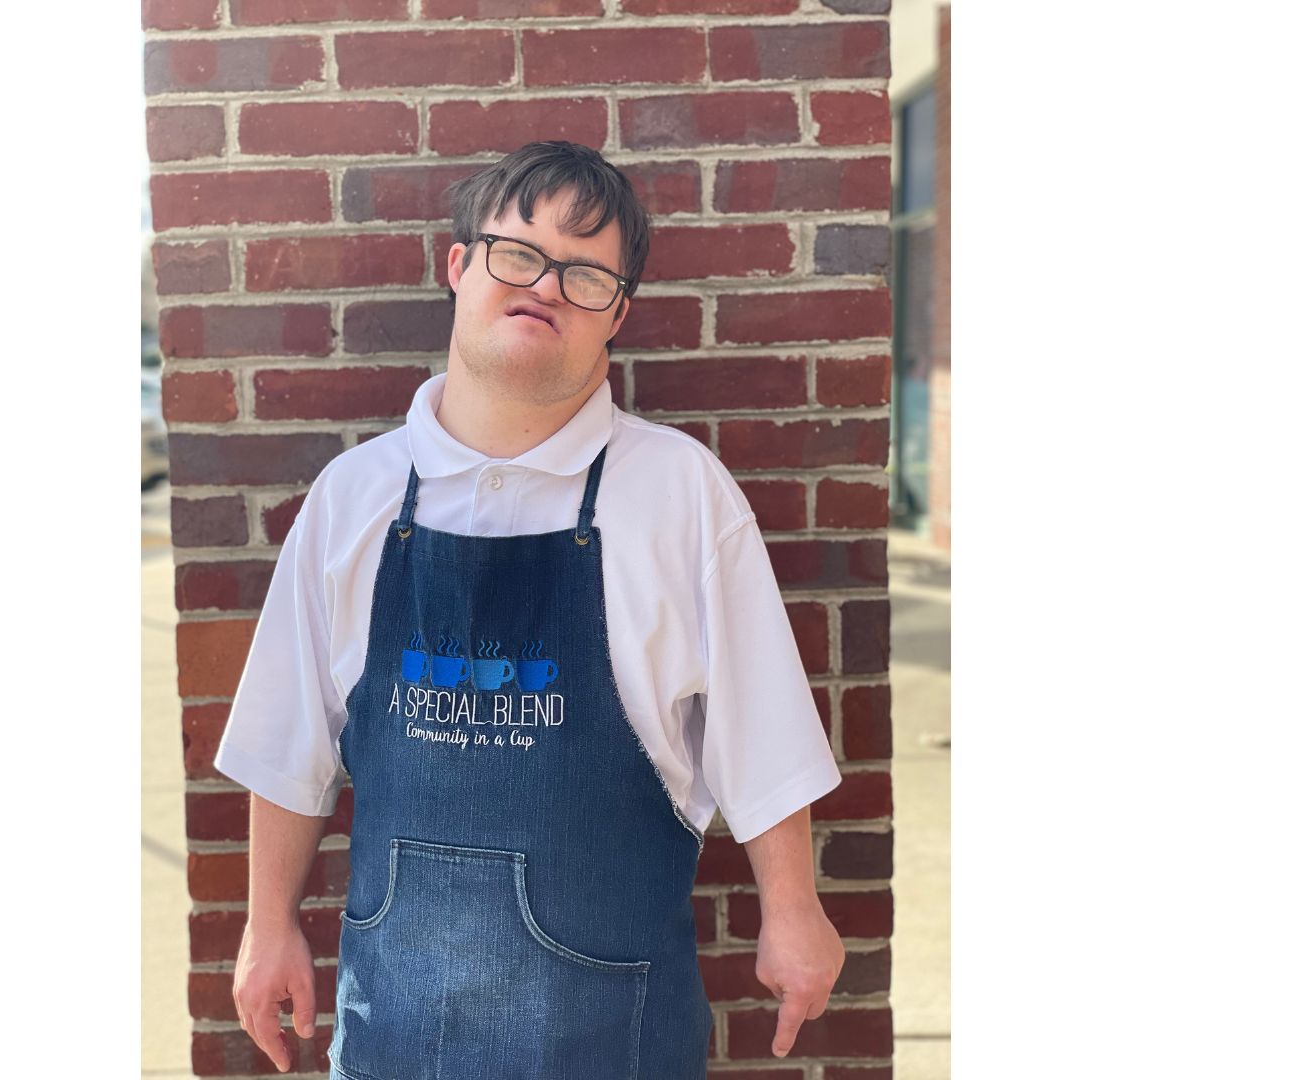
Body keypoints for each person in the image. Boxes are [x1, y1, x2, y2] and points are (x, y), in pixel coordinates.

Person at [218, 140, 845, 1078]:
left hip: (614, 1037)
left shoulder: (679, 491)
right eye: (519, 253)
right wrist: (268, 926)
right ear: (460, 265)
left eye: (586, 273)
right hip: (393, 1030)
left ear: (617, 315)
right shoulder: (354, 497)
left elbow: (761, 724)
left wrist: (794, 909)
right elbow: (288, 737)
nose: (546, 286)